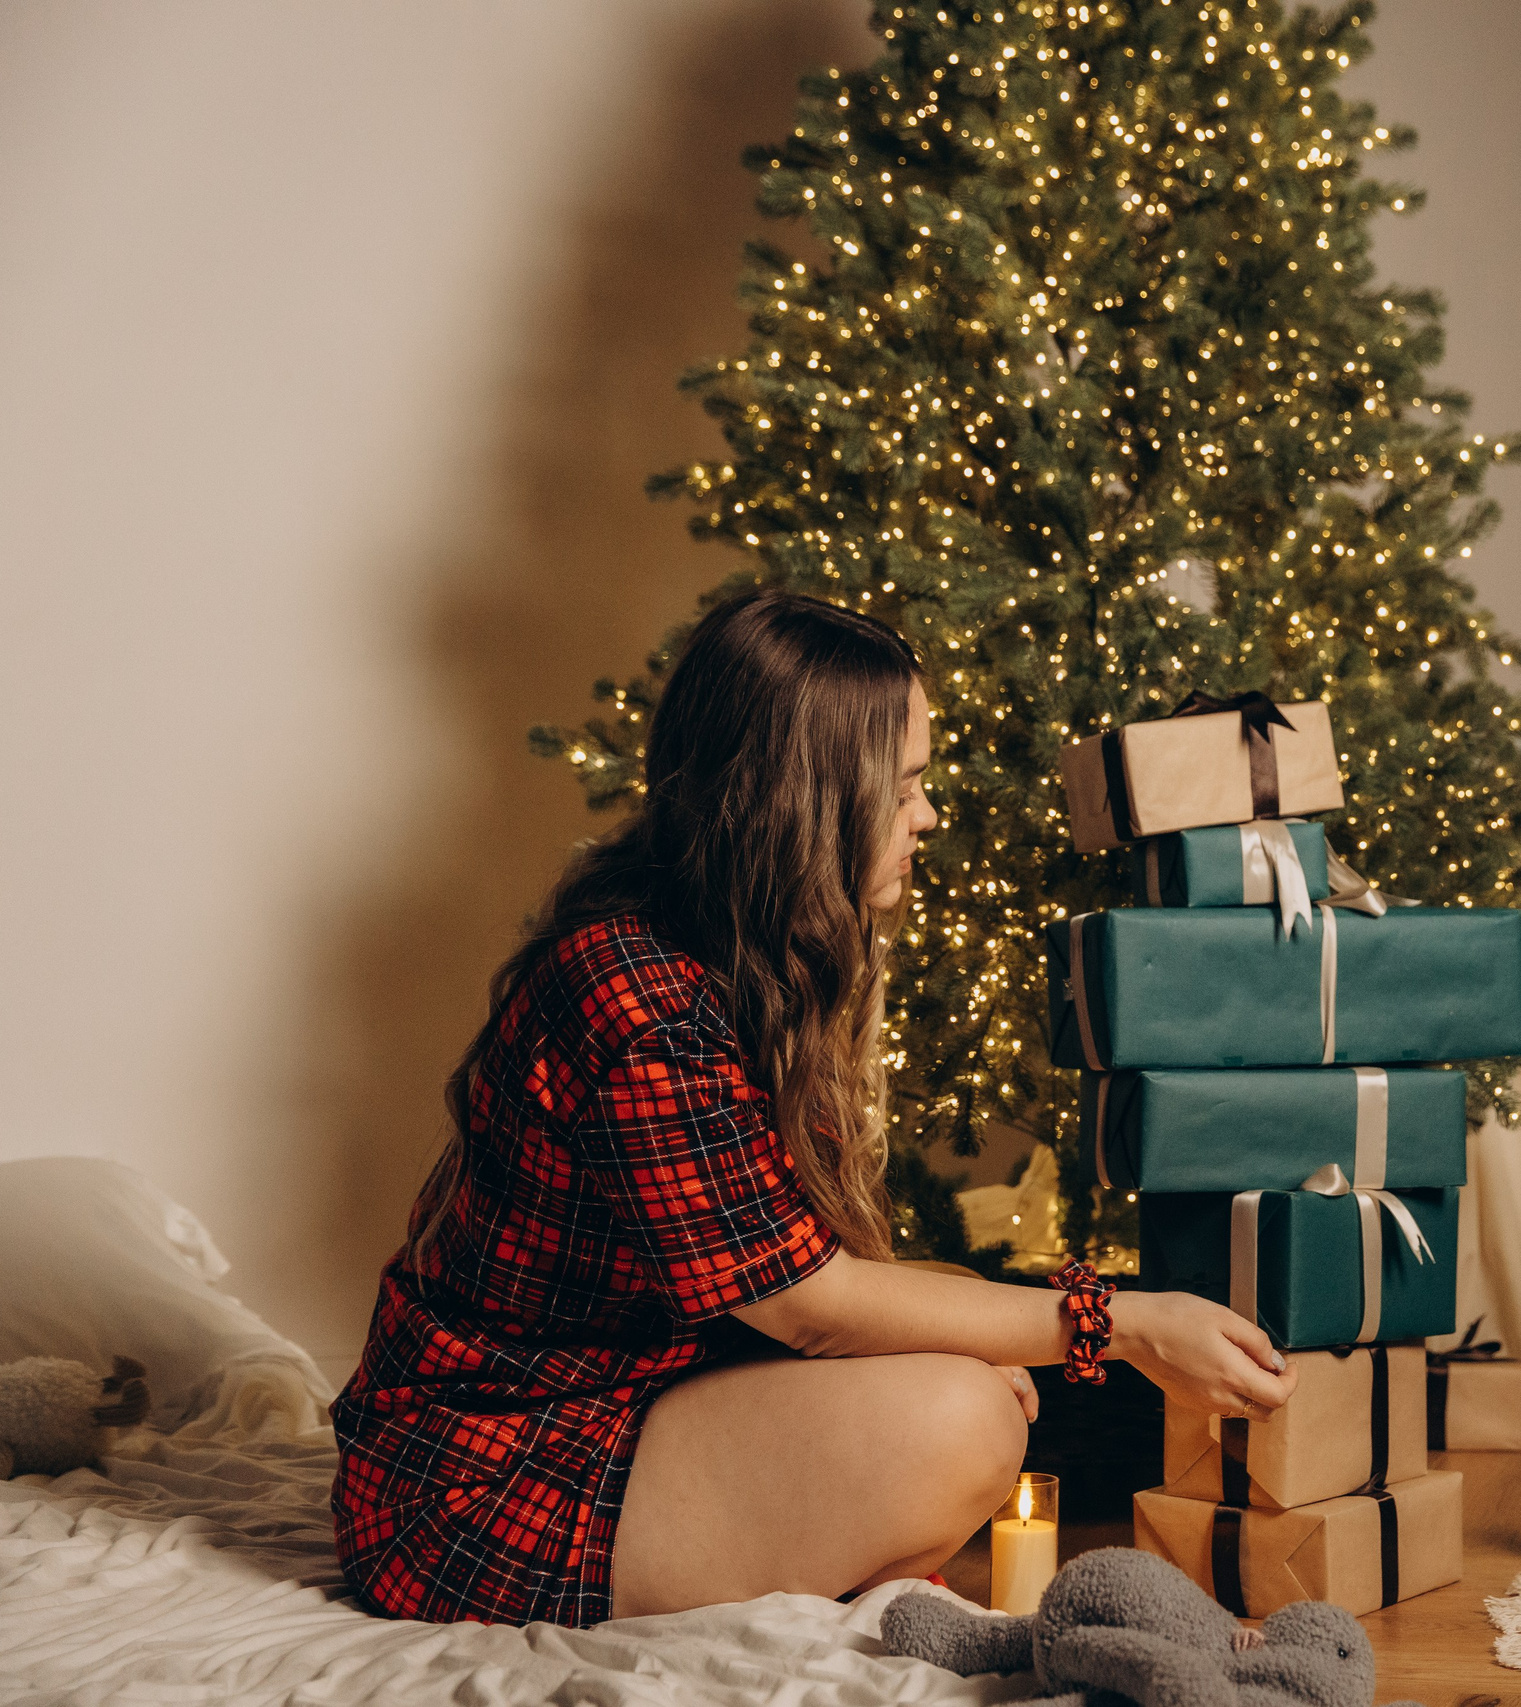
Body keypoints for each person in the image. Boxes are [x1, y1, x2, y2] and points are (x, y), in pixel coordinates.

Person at [331, 590, 1296, 1626]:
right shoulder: (631, 995)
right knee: (963, 1415)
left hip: (640, 1390)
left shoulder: (743, 954)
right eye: (905, 787)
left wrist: (988, 1337)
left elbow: (787, 1272)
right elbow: (806, 1305)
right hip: (487, 1478)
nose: (924, 816)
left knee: (964, 1356)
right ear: (807, 798)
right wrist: (1120, 1322)